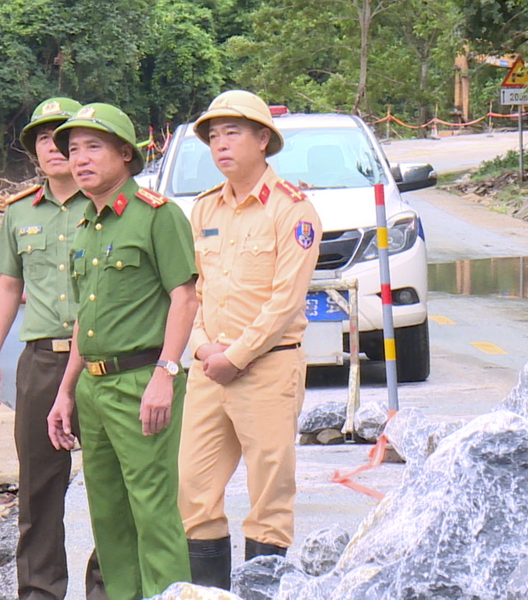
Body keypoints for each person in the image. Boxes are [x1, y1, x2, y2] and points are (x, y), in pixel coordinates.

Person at [46, 102, 198, 600]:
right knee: (107, 514)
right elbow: (84, 322)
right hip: (93, 385)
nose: (80, 159)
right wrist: (66, 391)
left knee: (153, 510)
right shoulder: (86, 225)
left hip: (141, 381)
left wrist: (165, 372)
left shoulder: (158, 216)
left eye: (93, 147)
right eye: (72, 151)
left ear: (125, 155)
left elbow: (185, 297)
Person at [178, 90, 323, 589]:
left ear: (264, 139)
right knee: (194, 494)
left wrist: (235, 356)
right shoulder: (202, 210)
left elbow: (284, 303)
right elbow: (195, 291)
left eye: (233, 132)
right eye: (213, 136)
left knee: (268, 499)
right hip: (208, 369)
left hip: (267, 368)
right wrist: (200, 349)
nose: (221, 144)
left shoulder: (293, 210)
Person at [0, 97, 105, 600]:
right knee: (39, 486)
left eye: (64, 137)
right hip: (42, 362)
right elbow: (8, 286)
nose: (54, 147)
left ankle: (106, 587)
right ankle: (39, 591)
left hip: (100, 362)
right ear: (35, 150)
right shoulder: (19, 213)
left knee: (108, 485)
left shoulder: (106, 206)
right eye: (44, 138)